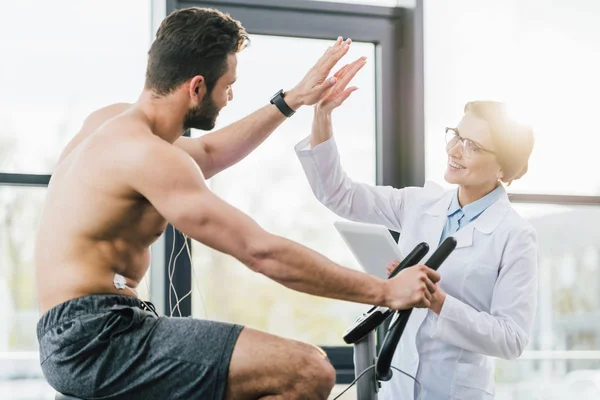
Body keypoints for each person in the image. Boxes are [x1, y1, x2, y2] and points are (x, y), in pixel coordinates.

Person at [34, 7, 441, 400]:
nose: (230, 96)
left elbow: (209, 152)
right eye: (228, 84)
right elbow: (260, 252)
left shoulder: (113, 124)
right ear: (196, 87)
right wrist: (385, 291)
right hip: (97, 340)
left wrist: (292, 100)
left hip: (80, 330)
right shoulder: (150, 156)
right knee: (307, 370)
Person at [295, 62, 538, 399]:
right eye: (456, 136)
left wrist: (438, 302)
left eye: (473, 146)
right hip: (397, 386)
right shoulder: (420, 204)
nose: (454, 150)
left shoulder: (515, 235)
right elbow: (339, 194)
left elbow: (512, 340)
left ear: (502, 166)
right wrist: (323, 114)